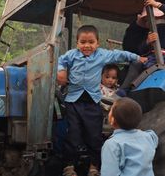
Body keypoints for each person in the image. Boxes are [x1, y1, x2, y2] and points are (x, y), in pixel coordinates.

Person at [57, 25, 147, 176]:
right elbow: (60, 60)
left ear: (97, 43)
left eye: (91, 42)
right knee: (72, 135)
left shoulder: (102, 55)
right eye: (83, 42)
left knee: (94, 136)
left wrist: (137, 58)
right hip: (73, 102)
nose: (87, 46)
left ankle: (94, 166)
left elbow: (119, 54)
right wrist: (61, 70)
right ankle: (69, 166)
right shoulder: (71, 55)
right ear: (77, 43)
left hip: (92, 103)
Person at [101, 97, 158, 176]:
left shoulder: (112, 145)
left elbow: (109, 173)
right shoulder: (148, 136)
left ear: (112, 120)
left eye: (111, 110)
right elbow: (154, 136)